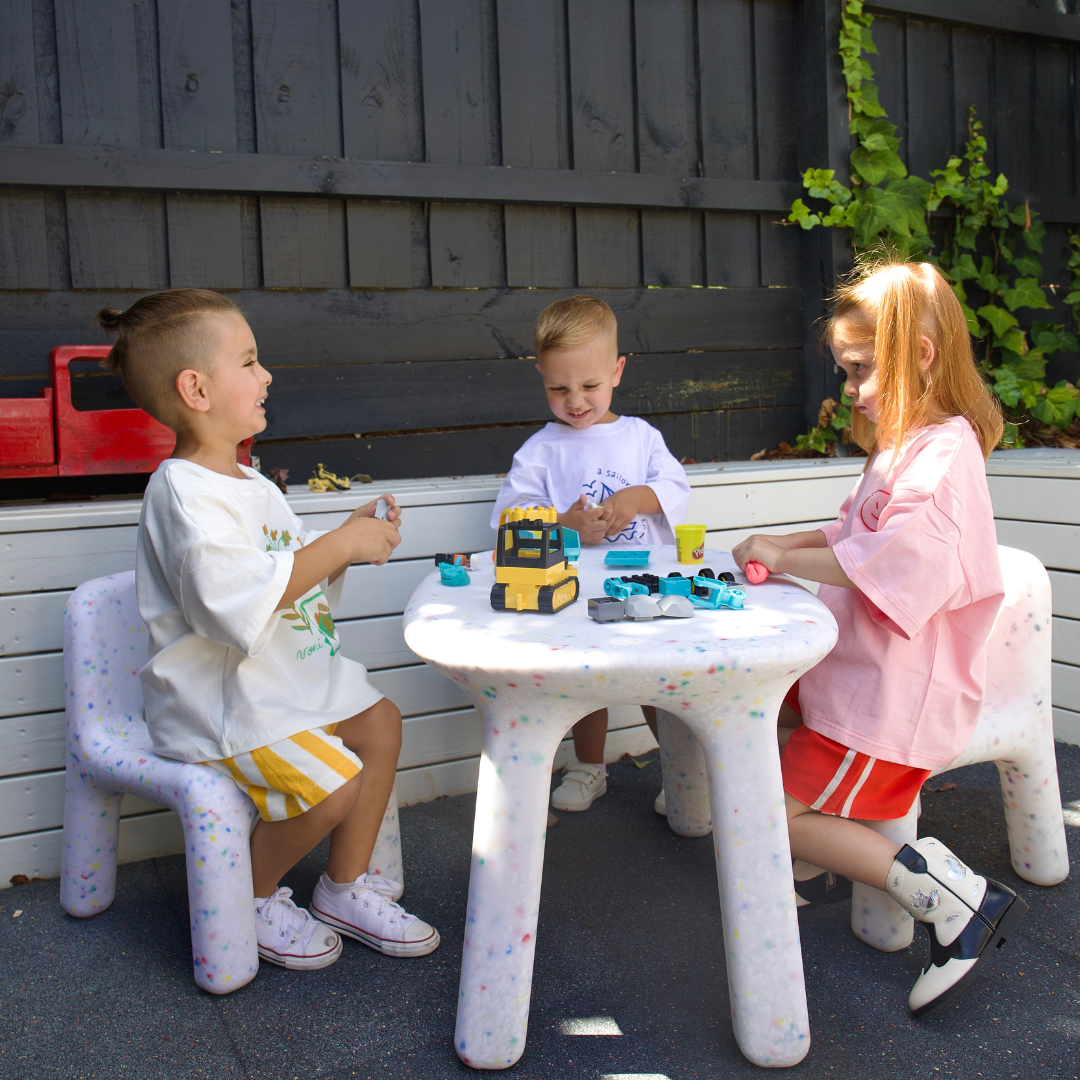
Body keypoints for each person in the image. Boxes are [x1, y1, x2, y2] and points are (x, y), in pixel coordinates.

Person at [101, 289, 439, 972]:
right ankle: (249, 898)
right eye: (250, 362)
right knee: (333, 785)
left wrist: (346, 534)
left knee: (381, 722)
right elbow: (231, 603)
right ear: (196, 388)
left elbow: (286, 561)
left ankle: (343, 888)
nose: (267, 376)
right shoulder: (182, 493)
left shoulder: (251, 482)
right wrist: (340, 549)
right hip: (224, 702)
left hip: (283, 681)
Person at [733, 258, 1026, 1017]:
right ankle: (817, 864)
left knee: (770, 812)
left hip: (887, 700)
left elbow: (886, 562)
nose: (851, 388)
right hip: (863, 682)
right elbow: (849, 531)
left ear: (919, 357)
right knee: (756, 724)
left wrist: (784, 559)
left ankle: (955, 898)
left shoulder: (943, 457)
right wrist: (780, 542)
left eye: (860, 369)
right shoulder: (909, 447)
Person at [491, 295, 691, 813]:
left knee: (657, 684)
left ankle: (681, 774)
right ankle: (588, 767)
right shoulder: (541, 449)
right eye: (558, 388)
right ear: (541, 377)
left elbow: (674, 484)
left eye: (589, 386)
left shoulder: (640, 437)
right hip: (574, 587)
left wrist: (633, 499)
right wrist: (566, 524)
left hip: (643, 584)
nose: (574, 401)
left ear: (617, 370)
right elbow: (511, 516)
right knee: (585, 685)